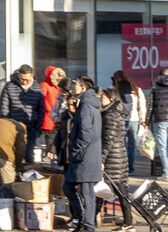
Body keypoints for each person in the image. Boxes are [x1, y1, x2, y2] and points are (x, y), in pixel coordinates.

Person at [61, 77, 104, 232]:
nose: (72, 86)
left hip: (85, 157)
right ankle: (82, 218)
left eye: (75, 84)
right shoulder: (86, 104)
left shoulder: (86, 106)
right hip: (85, 156)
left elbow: (86, 133)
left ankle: (88, 225)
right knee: (68, 187)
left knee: (87, 193)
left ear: (83, 89)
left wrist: (75, 149)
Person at [101, 84, 136, 228]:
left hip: (113, 158)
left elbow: (108, 139)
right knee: (119, 190)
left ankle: (88, 222)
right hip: (118, 155)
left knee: (104, 190)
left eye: (103, 97)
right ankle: (128, 221)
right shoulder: (116, 112)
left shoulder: (110, 115)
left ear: (110, 99)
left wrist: (102, 159)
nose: (101, 99)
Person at [0, 65, 46, 134]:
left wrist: (37, 126)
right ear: (18, 75)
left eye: (26, 80)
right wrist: (6, 124)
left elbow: (41, 109)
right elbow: (3, 107)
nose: (24, 82)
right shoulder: (9, 86)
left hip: (31, 128)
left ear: (32, 76)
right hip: (13, 127)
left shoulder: (37, 89)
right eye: (22, 79)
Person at [38, 66, 68, 164]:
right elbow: (43, 100)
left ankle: (54, 159)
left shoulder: (58, 87)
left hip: (56, 118)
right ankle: (50, 159)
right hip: (49, 118)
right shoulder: (44, 85)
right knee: (50, 141)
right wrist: (51, 111)